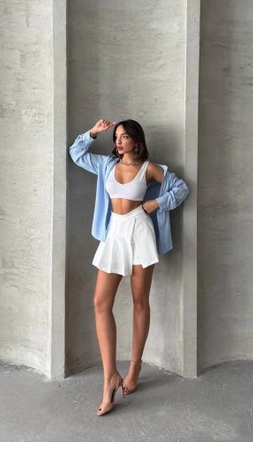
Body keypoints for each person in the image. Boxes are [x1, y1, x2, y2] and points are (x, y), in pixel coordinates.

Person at [69, 118, 189, 416]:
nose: (118, 141)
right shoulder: (106, 165)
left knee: (139, 302)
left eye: (124, 136)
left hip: (139, 230)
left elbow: (181, 188)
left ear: (137, 140)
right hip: (115, 232)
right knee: (100, 303)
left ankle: (135, 367)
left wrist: (156, 204)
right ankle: (110, 375)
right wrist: (93, 132)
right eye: (116, 137)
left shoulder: (149, 168)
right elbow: (76, 154)